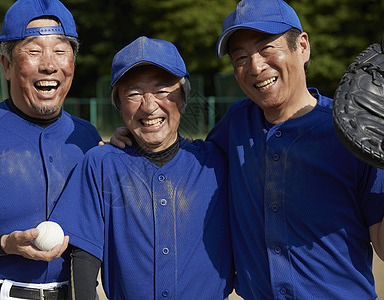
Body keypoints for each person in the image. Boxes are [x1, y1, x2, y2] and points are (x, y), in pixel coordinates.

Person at [206, 0, 384, 299]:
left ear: (302, 47)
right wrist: (131, 141)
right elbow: (185, 158)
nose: (256, 66)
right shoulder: (235, 125)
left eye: (267, 48)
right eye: (240, 57)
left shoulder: (355, 133)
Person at [0, 0, 101, 299]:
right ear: (7, 65)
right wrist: (3, 244)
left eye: (61, 51)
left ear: (73, 63)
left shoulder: (87, 138)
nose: (49, 64)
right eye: (34, 51)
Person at [58, 36, 234, 299]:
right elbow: (83, 254)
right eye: (134, 93)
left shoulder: (215, 161)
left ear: (184, 100)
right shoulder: (101, 163)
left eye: (163, 91)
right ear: (119, 105)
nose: (150, 105)